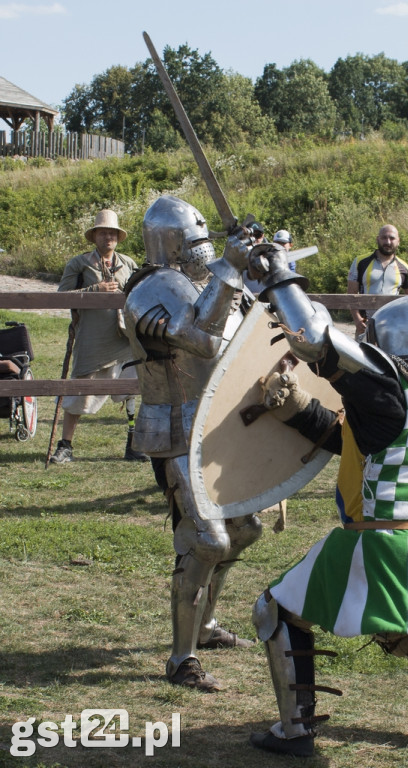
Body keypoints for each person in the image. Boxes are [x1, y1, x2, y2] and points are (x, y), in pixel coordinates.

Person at [245, 244, 408, 757]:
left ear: (383, 343)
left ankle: (295, 731)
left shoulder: (385, 390)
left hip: (380, 539)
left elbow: (317, 341)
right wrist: (299, 409)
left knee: (274, 610)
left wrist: (279, 275)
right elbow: (356, 440)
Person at [123, 195, 262, 692]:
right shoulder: (150, 288)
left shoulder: (201, 284)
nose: (201, 243)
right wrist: (229, 266)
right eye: (194, 234)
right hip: (175, 425)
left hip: (217, 422)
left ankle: (203, 627)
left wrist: (253, 270)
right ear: (174, 239)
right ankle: (181, 660)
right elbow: (199, 338)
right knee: (208, 539)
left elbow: (243, 332)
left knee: (245, 529)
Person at [49, 209, 148, 464]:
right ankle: (65, 445)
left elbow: (142, 292)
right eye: (103, 233)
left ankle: (134, 444)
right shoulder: (80, 263)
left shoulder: (127, 263)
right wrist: (95, 289)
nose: (108, 237)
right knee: (80, 389)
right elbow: (60, 297)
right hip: (92, 339)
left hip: (125, 339)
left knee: (132, 389)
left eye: (112, 233)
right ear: (94, 236)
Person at [347, 224, 408, 340]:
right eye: (384, 238)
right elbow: (350, 294)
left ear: (398, 241)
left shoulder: (404, 267)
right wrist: (357, 320)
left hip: (393, 326)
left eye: (392, 238)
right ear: (377, 239)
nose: (388, 242)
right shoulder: (360, 262)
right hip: (365, 326)